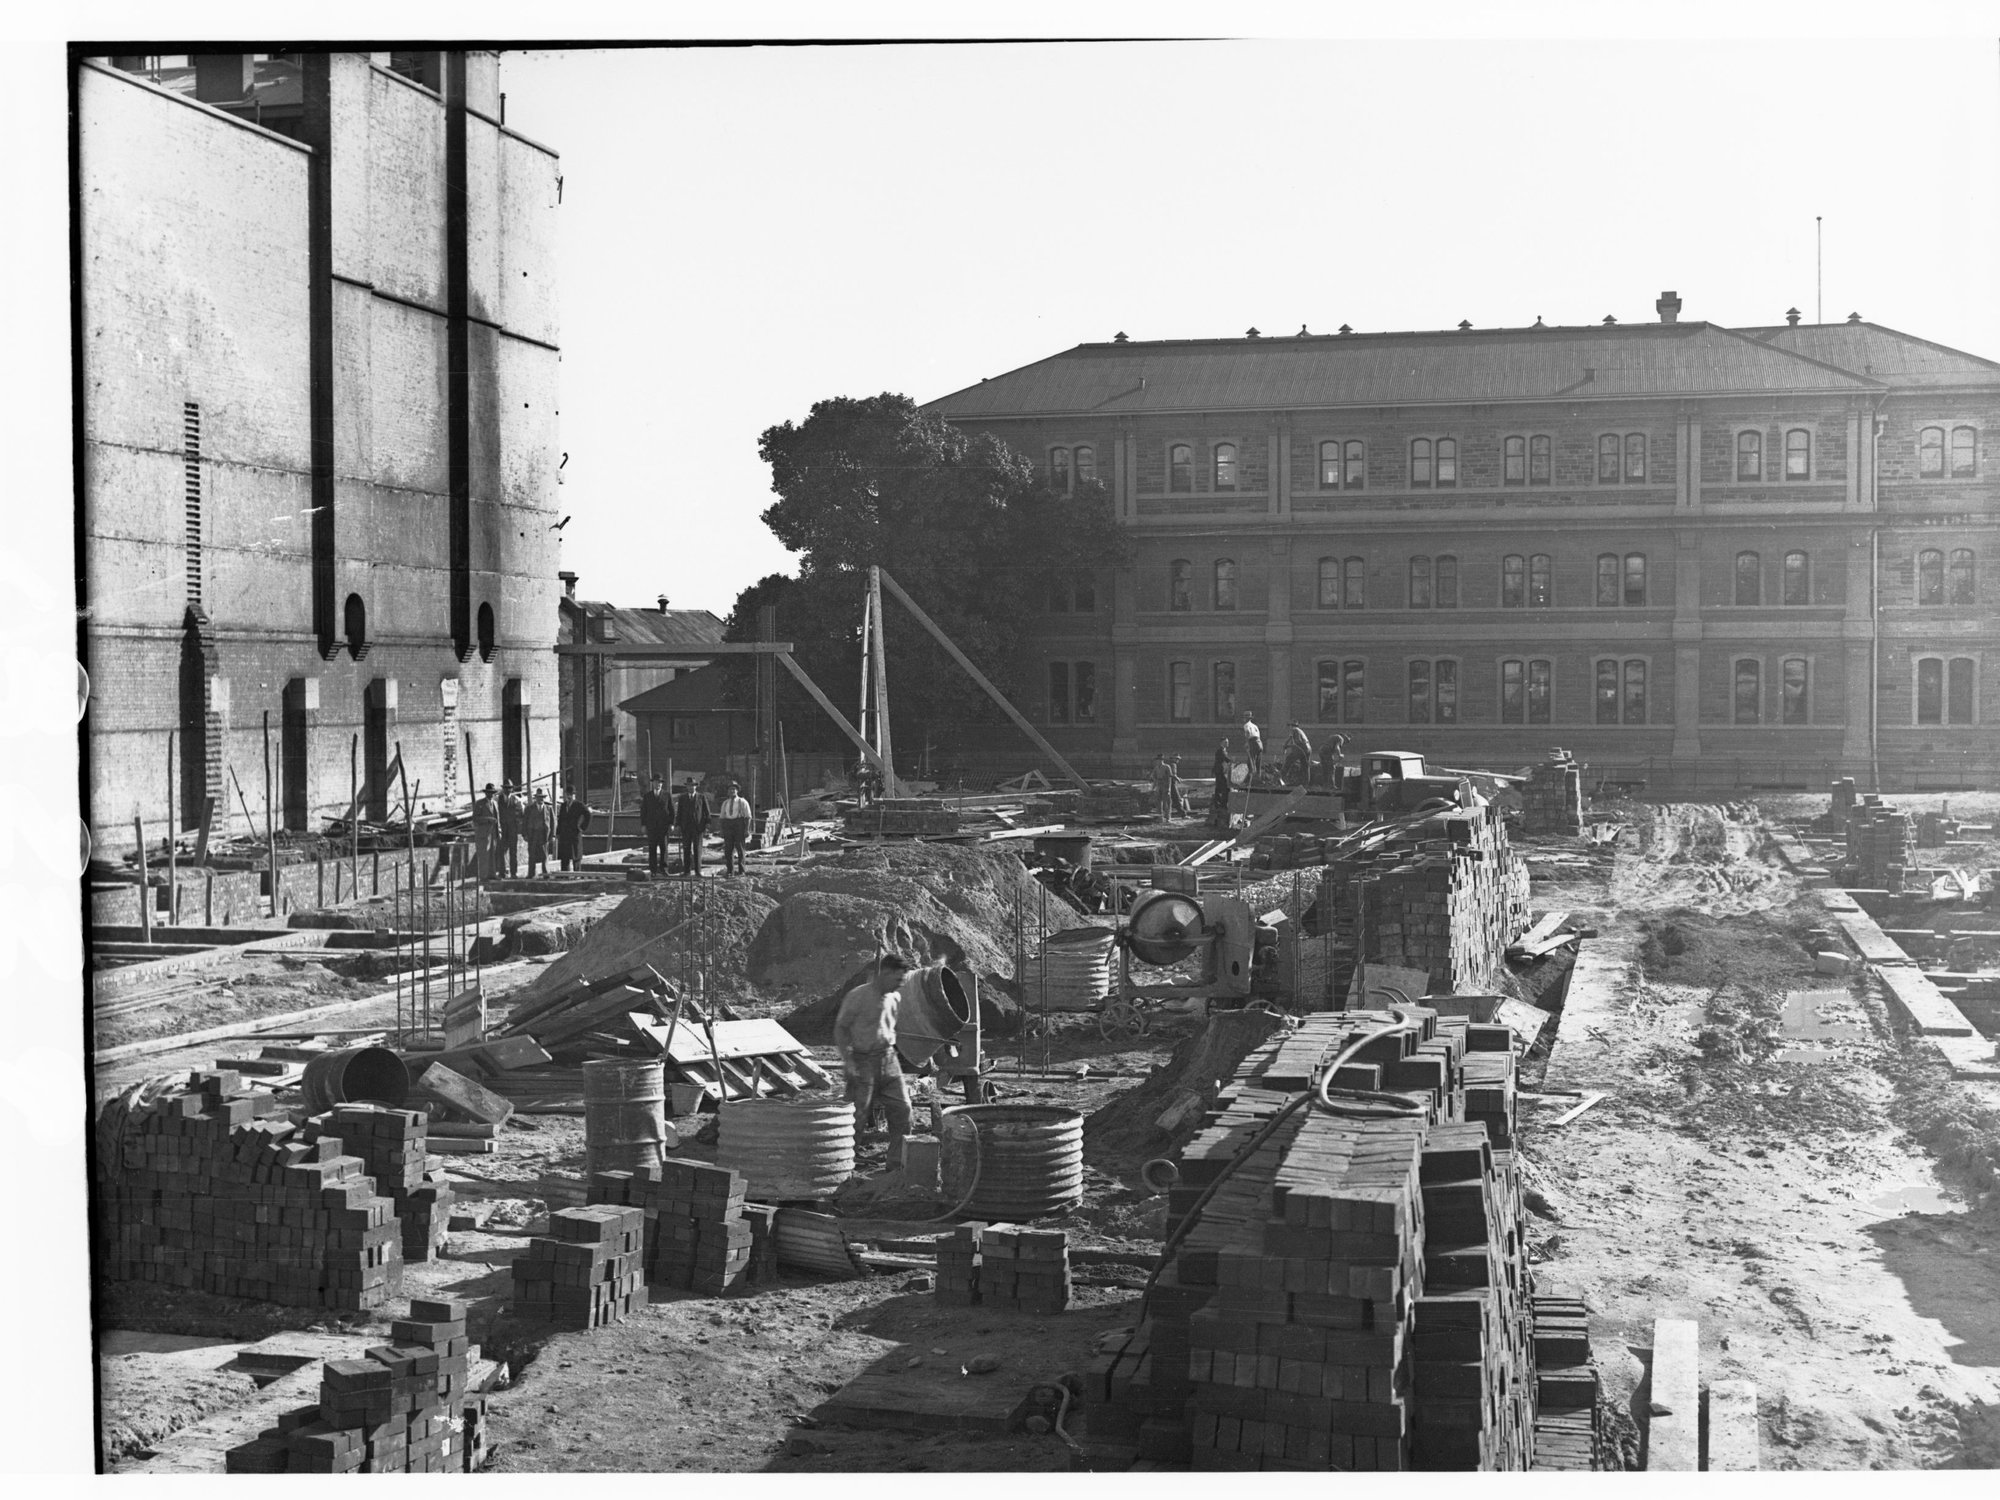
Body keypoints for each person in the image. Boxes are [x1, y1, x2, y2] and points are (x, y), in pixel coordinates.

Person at [832, 953, 914, 1171]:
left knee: (903, 1110)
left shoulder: (894, 997)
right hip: (863, 1061)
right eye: (897, 980)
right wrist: (848, 1062)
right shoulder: (857, 996)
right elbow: (841, 1028)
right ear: (885, 974)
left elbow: (890, 1027)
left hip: (889, 1059)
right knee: (856, 1116)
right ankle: (842, 1165)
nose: (899, 985)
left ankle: (896, 1165)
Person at [673, 777, 710, 877]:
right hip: (686, 828)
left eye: (692, 786)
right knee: (686, 849)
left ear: (695, 787)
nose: (691, 787)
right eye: (689, 786)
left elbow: (706, 812)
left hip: (698, 828)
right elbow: (679, 812)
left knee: (697, 849)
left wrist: (707, 824)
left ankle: (698, 871)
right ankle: (687, 871)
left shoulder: (701, 797)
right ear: (686, 787)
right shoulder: (682, 798)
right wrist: (677, 825)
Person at [715, 780, 753, 876]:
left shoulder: (742, 802)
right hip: (728, 825)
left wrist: (746, 829)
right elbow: (722, 817)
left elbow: (748, 817)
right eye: (730, 789)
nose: (732, 791)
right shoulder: (725, 803)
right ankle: (730, 871)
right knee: (728, 850)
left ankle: (741, 871)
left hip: (739, 824)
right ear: (728, 791)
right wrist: (721, 830)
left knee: (740, 849)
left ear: (737, 791)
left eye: (734, 789)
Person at [639, 775, 671, 875]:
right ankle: (653, 870)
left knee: (664, 848)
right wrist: (643, 825)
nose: (658, 784)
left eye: (660, 783)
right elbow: (643, 812)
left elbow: (671, 810)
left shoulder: (667, 795)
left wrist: (671, 823)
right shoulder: (647, 796)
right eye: (656, 782)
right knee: (652, 848)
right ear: (653, 783)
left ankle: (664, 869)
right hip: (652, 827)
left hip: (663, 827)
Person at [556, 784, 592, 871]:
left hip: (574, 834)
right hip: (565, 835)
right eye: (567, 794)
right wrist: (558, 832)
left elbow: (588, 814)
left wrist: (582, 827)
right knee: (564, 856)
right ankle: (564, 875)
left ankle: (577, 874)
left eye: (571, 795)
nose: (569, 796)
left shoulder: (579, 805)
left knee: (576, 856)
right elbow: (560, 820)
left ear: (574, 795)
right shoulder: (563, 806)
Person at [470, 783, 499, 880]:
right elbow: (475, 818)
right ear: (486, 793)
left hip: (493, 834)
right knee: (484, 855)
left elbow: (497, 819)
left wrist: (499, 832)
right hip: (483, 834)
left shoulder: (495, 803)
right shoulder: (480, 804)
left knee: (492, 855)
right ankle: (483, 876)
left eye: (492, 793)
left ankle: (492, 874)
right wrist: (487, 819)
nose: (491, 795)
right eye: (489, 793)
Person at [497, 782, 524, 878]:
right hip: (502, 830)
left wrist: (518, 826)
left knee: (513, 852)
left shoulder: (516, 800)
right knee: (501, 852)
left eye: (510, 788)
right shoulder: (498, 800)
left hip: (513, 830)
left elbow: (521, 814)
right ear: (503, 789)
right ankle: (502, 872)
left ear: (512, 789)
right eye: (506, 788)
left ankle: (513, 873)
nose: (508, 790)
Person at [523, 788, 551, 877]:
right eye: (539, 797)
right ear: (536, 798)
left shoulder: (548, 809)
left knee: (544, 855)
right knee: (532, 854)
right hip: (533, 834)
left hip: (543, 835)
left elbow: (553, 822)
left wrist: (552, 835)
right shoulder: (529, 809)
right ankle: (531, 874)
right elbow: (525, 822)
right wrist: (525, 834)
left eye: (542, 797)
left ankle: (545, 873)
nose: (541, 799)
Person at [1210, 738, 1233, 831]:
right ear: (1221, 743)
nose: (1227, 743)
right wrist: (1232, 761)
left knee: (1219, 788)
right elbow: (1225, 759)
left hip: (1221, 771)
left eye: (1228, 742)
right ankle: (1222, 805)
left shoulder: (1223, 750)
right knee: (1224, 788)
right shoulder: (1220, 751)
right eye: (1226, 742)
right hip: (1219, 772)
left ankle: (1219, 803)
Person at [1282, 722, 1313, 788]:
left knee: (1289, 760)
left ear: (1291, 726)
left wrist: (1288, 746)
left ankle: (1283, 778)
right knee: (1305, 766)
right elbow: (1290, 739)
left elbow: (1298, 741)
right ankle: (1305, 783)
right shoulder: (1299, 730)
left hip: (1302, 748)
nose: (1288, 728)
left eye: (1289, 726)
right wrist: (1286, 745)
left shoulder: (1294, 730)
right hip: (1308, 748)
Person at [1241, 712, 1264, 782]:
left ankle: (1252, 779)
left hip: (1253, 742)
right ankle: (1258, 777)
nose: (1243, 719)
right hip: (1260, 743)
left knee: (1251, 761)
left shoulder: (1246, 725)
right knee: (1258, 762)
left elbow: (1248, 732)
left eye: (1244, 718)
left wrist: (1247, 743)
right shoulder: (1255, 726)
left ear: (1246, 718)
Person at [1152, 752, 1174, 820]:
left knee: (1166, 802)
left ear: (1162, 760)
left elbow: (1169, 778)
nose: (1159, 761)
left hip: (1165, 784)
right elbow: (1154, 777)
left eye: (1160, 760)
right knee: (1158, 801)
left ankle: (1168, 817)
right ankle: (1160, 816)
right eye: (1158, 760)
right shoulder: (1156, 768)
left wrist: (1169, 788)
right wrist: (1154, 787)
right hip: (1159, 785)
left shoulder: (1167, 767)